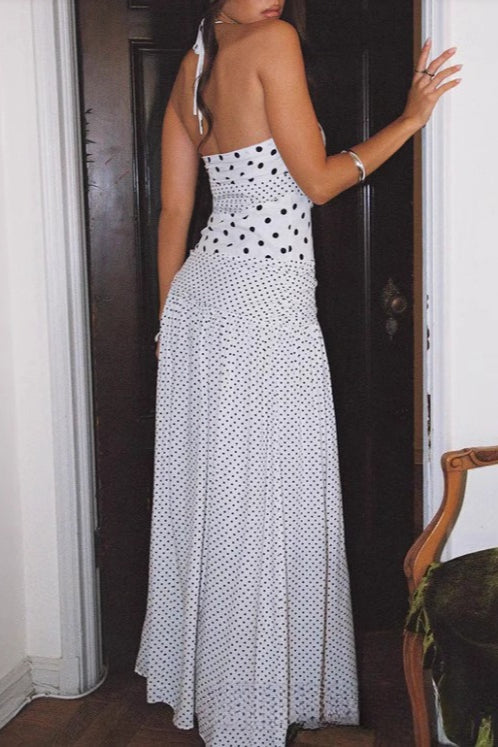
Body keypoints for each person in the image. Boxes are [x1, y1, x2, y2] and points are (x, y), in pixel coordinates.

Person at [134, 2, 462, 745]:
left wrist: (167, 323)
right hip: (263, 307)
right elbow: (317, 182)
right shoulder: (273, 40)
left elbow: (174, 212)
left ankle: (234, 699)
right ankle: (249, 712)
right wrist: (411, 119)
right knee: (267, 504)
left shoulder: (190, 67)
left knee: (221, 505)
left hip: (197, 306)